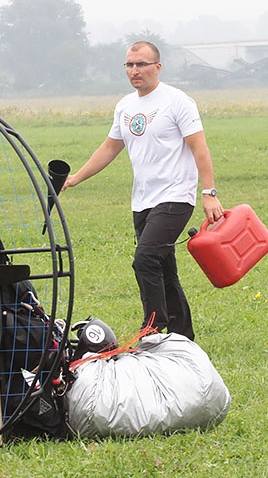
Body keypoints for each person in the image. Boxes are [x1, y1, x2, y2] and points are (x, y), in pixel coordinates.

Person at [62, 41, 223, 340]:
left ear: (157, 67)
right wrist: (75, 179)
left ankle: (152, 326)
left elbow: (199, 147)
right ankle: (182, 335)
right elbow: (110, 147)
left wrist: (209, 193)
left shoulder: (177, 101)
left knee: (145, 258)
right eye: (129, 65)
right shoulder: (125, 106)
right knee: (164, 268)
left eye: (141, 64)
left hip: (176, 196)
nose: (135, 71)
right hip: (143, 200)